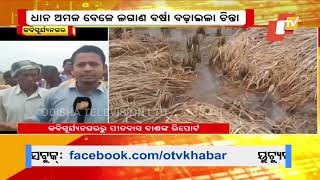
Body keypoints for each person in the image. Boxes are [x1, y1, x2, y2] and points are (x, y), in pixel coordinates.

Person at [32, 45, 108, 123]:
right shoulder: (53, 94)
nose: (87, 69)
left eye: (93, 64)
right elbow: (38, 122)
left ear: (104, 68)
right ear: (72, 69)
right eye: (81, 65)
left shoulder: (113, 97)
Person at [0, 60, 48, 130]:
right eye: (25, 75)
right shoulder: (3, 95)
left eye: (33, 75)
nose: (30, 78)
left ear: (38, 77)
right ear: (15, 77)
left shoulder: (49, 95)